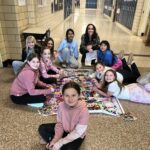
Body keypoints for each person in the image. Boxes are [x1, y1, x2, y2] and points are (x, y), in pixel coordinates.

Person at [38, 81, 89, 150]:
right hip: (64, 129)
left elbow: (78, 132)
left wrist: (60, 142)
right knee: (42, 128)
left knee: (69, 148)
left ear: (79, 95)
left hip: (76, 134)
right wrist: (55, 140)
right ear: (63, 96)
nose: (70, 99)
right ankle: (53, 142)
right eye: (67, 95)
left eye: (73, 95)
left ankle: (52, 142)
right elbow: (60, 124)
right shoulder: (61, 106)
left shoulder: (83, 110)